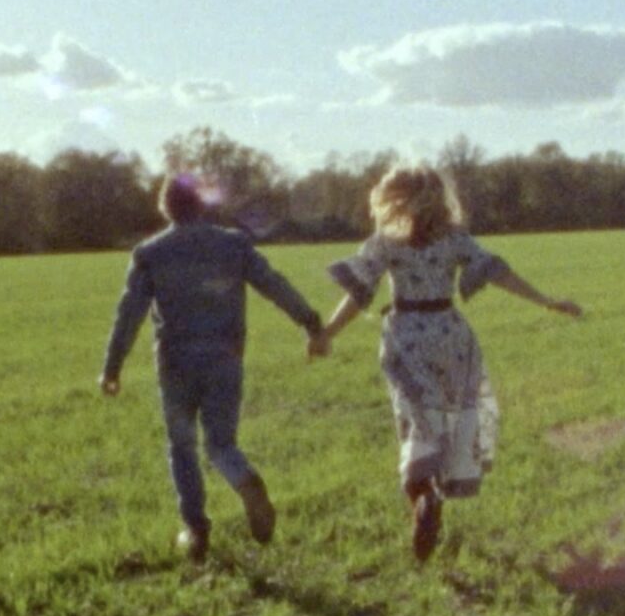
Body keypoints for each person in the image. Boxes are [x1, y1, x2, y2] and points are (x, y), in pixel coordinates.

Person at [314, 164, 582, 561]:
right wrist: (546, 301)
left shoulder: (386, 242)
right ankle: (433, 496)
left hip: (406, 338)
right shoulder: (455, 238)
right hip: (453, 338)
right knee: (449, 421)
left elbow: (359, 294)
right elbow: (498, 273)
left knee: (416, 424)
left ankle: (423, 500)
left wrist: (328, 332)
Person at [103, 174, 332, 564]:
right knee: (221, 444)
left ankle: (195, 530)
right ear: (202, 205)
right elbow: (274, 284)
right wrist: (310, 321)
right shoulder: (234, 244)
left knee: (182, 446)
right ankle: (244, 479)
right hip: (226, 358)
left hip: (175, 363)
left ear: (166, 208)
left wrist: (112, 366)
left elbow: (129, 314)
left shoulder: (149, 253)